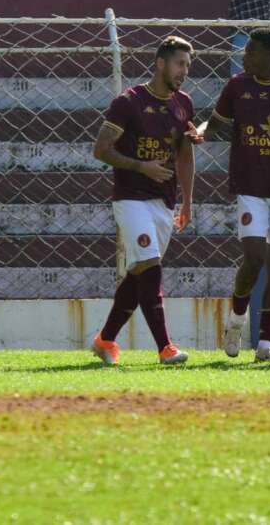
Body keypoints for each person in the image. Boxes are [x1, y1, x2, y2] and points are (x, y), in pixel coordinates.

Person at [195, 28, 270, 362]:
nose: (244, 57)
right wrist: (201, 132)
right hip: (250, 187)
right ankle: (236, 321)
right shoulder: (237, 86)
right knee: (254, 257)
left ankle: (266, 345)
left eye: (250, 52)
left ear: (269, 55)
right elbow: (216, 122)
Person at [90, 36, 200, 365]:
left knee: (140, 271)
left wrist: (188, 202)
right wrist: (142, 167)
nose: (184, 71)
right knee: (151, 265)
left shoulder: (184, 104)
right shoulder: (129, 101)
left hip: (163, 202)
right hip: (131, 197)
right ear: (161, 63)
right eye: (180, 64)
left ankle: (105, 340)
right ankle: (165, 348)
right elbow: (101, 149)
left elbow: (184, 155)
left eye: (188, 66)